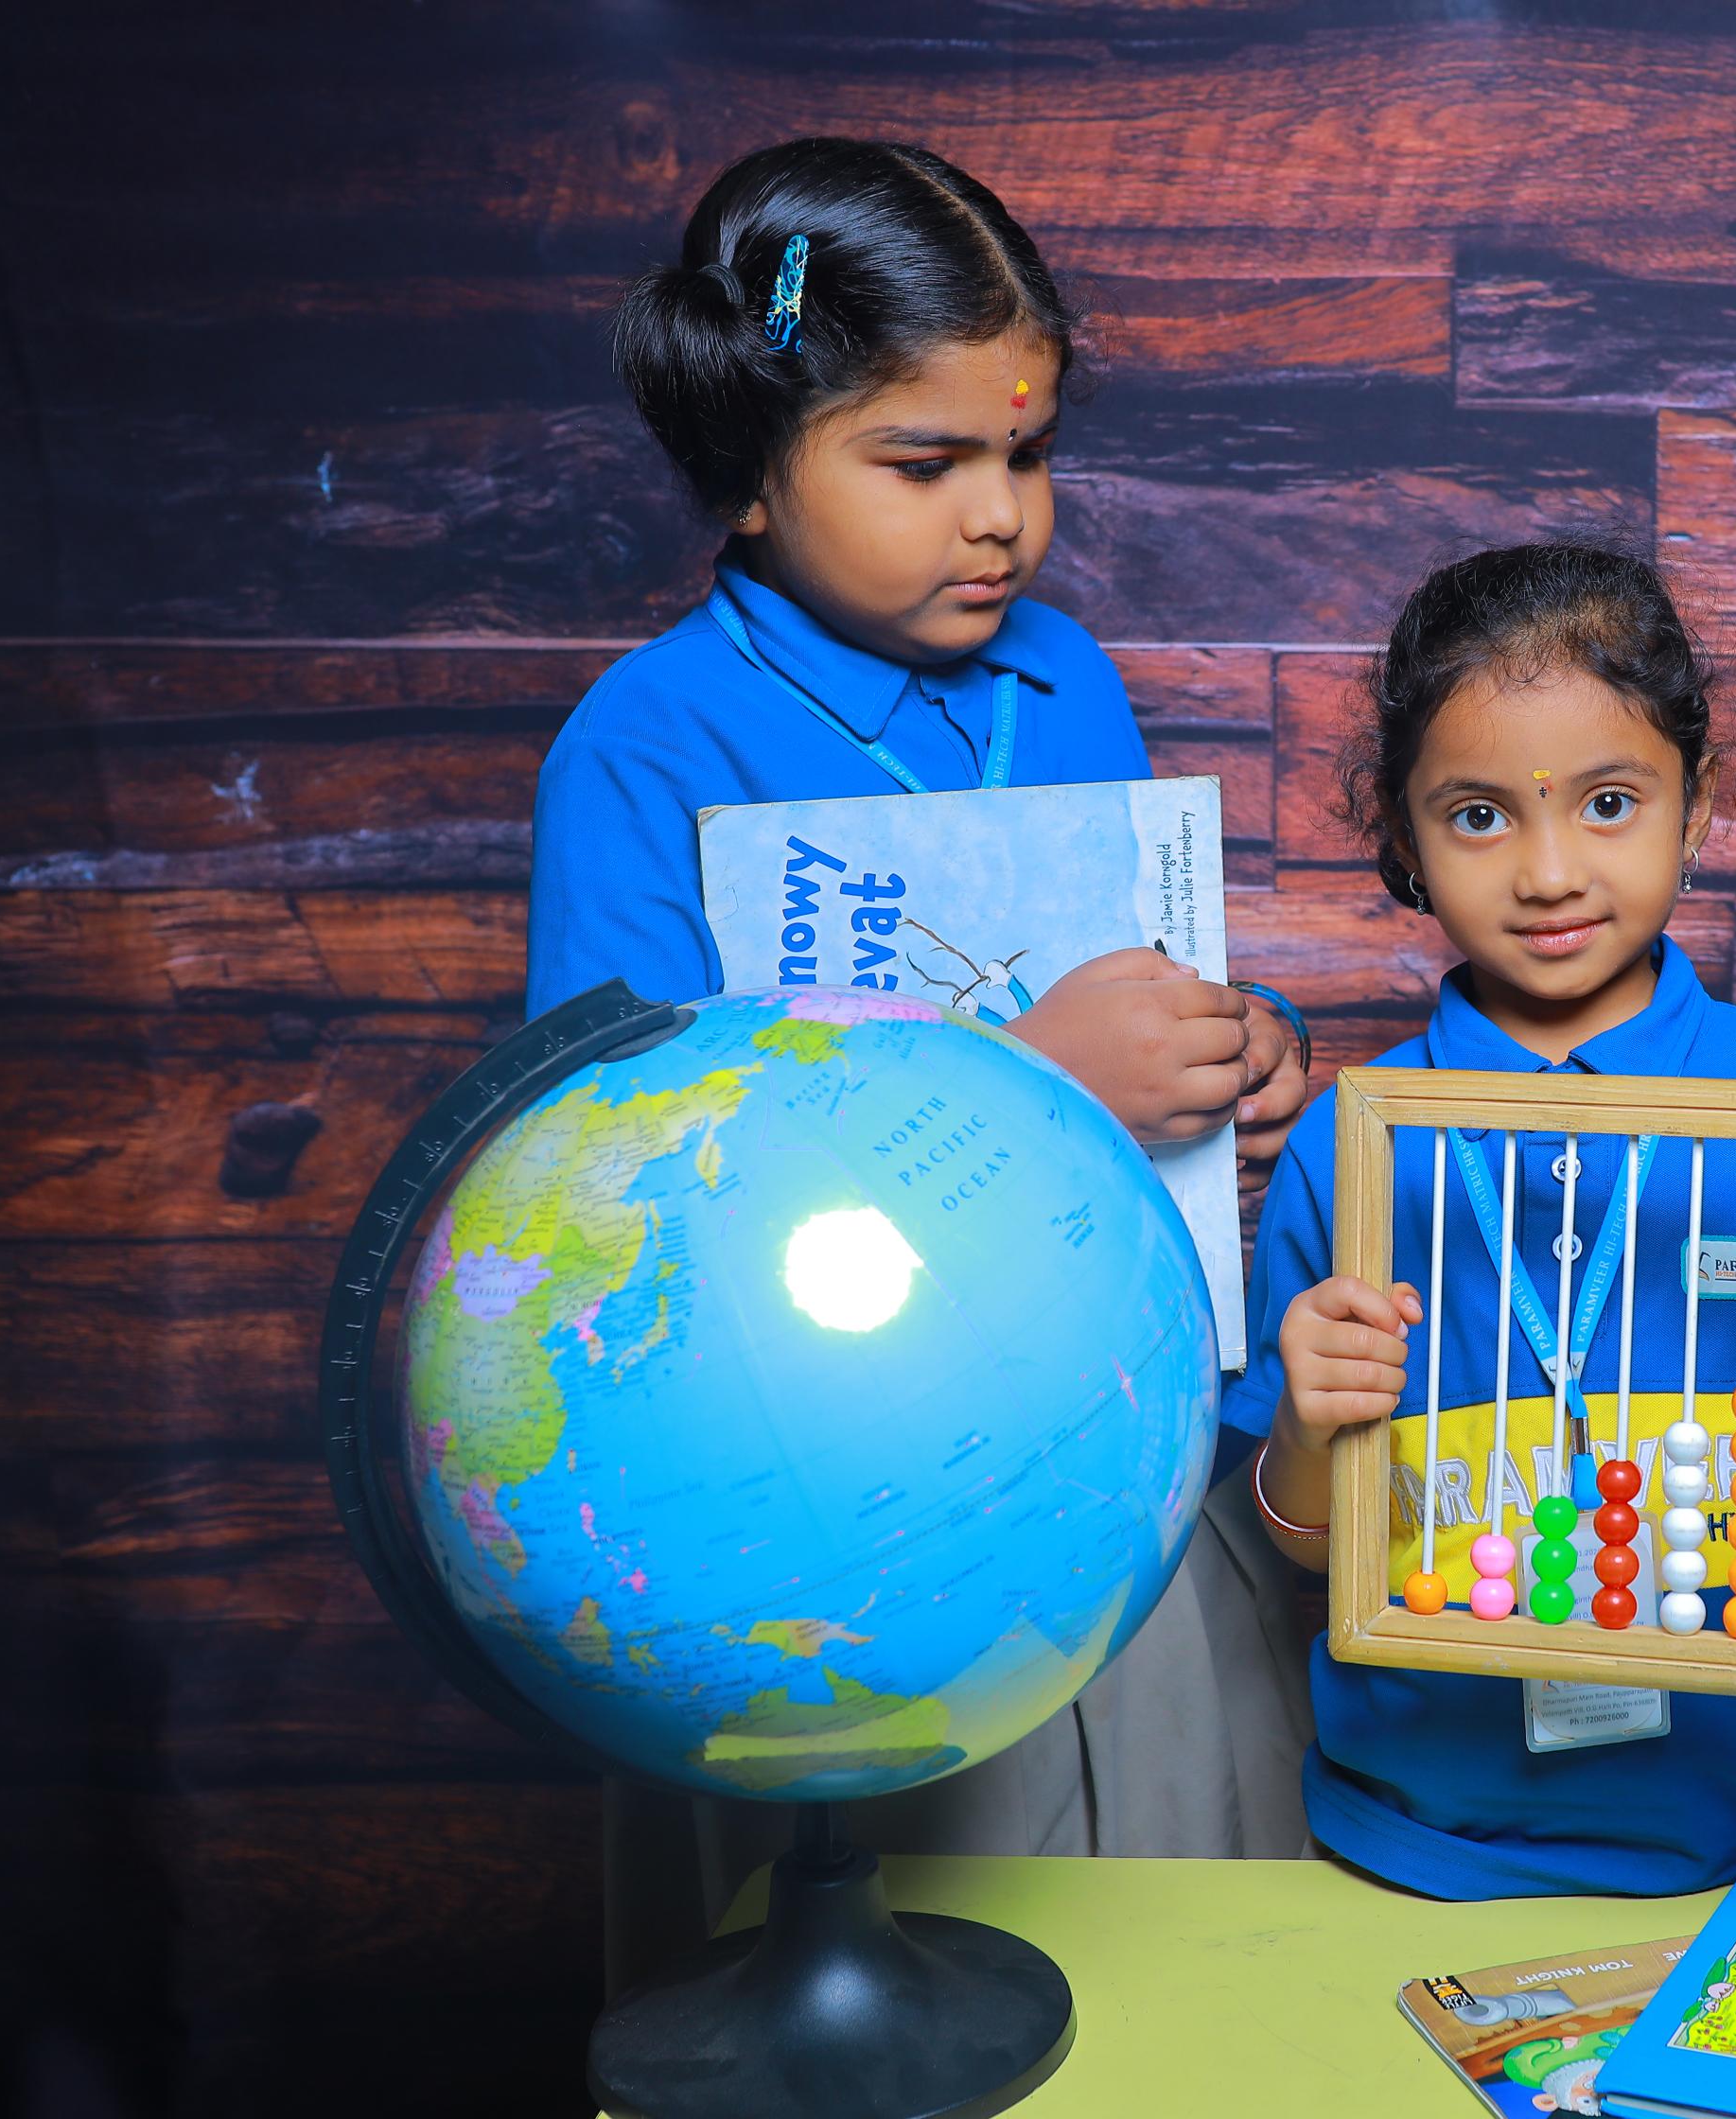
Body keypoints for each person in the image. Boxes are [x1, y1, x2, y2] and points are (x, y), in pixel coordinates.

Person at [532, 137, 1318, 1991]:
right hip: (833, 1524)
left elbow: (1134, 984)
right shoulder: (645, 747)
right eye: (925, 461)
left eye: (1027, 458)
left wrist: (1230, 1042)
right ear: (744, 470)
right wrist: (1039, 1076)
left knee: (1179, 1931)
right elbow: (614, 1186)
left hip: (1123, 1445)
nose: (999, 519)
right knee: (905, 1976)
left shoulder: (1067, 682)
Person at [1226, 543, 1736, 1898]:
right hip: (1418, 1836)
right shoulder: (1353, 1143)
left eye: (1608, 802)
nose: (1551, 872)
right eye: (1481, 817)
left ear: (1699, 800)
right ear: (1403, 838)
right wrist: (1309, 1436)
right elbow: (1300, 1544)